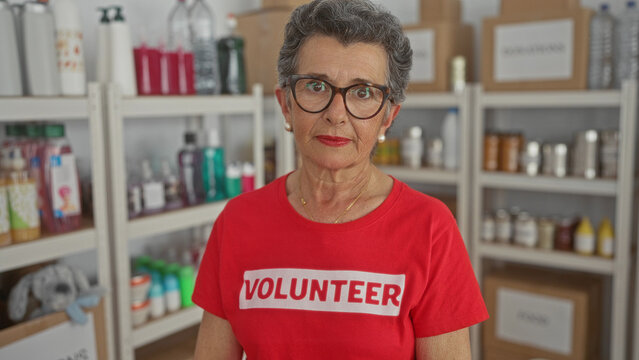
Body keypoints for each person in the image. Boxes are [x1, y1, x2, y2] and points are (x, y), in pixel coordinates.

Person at [192, 0, 488, 358]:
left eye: (363, 92)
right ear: (286, 104)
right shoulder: (237, 223)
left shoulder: (430, 229)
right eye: (316, 86)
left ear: (387, 117)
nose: (336, 114)